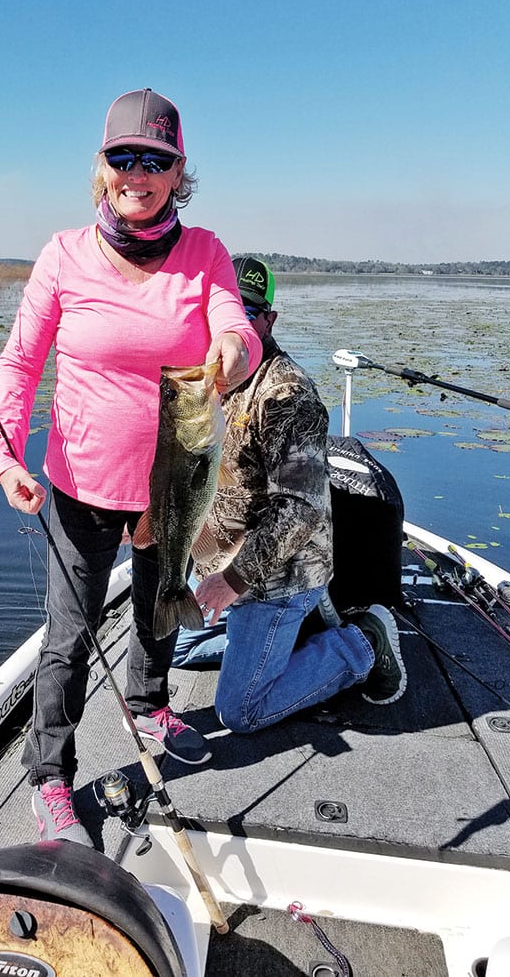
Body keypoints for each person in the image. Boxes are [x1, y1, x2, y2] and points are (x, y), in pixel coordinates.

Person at [0, 89, 262, 845]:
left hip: (173, 481)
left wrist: (236, 349)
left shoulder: (204, 251)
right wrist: (7, 453)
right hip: (78, 486)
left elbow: (234, 326)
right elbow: (19, 361)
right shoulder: (64, 254)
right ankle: (49, 776)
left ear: (178, 172)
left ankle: (148, 704)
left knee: (161, 600)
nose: (137, 172)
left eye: (155, 160)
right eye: (123, 157)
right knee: (68, 637)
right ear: (101, 169)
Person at [172, 257, 408, 733]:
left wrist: (231, 582)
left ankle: (361, 643)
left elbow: (299, 512)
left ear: (268, 320)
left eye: (249, 311)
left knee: (240, 711)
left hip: (280, 578)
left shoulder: (288, 395)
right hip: (225, 565)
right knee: (179, 648)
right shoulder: (206, 381)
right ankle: (296, 638)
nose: (235, 326)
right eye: (224, 312)